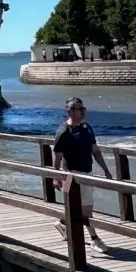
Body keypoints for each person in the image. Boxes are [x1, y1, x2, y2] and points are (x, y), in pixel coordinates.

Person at [53, 97, 112, 253]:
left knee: (80, 208)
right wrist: (56, 176)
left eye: (83, 108)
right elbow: (58, 156)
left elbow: (95, 150)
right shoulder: (64, 131)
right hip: (71, 174)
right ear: (71, 111)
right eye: (80, 109)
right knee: (86, 210)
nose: (83, 111)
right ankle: (94, 239)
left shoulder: (87, 128)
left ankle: (63, 224)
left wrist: (106, 169)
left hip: (87, 173)